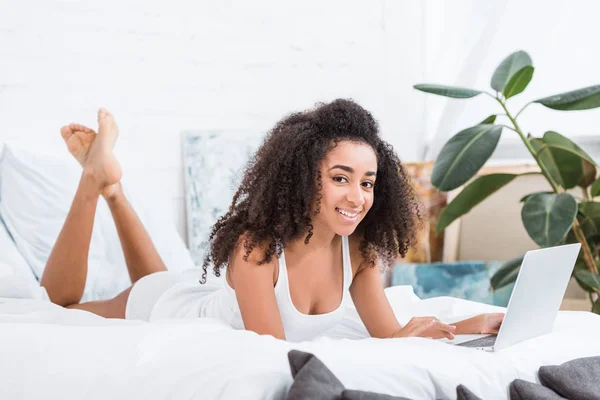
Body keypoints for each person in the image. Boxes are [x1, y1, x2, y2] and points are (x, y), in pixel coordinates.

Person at [41, 100, 503, 342]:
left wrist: (468, 326)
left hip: (194, 289)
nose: (358, 196)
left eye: (367, 183)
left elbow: (390, 337)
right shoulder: (257, 250)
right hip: (176, 310)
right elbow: (271, 355)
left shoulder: (360, 253)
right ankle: (92, 182)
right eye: (340, 178)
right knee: (59, 305)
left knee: (158, 278)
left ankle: (113, 190)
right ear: (303, 177)